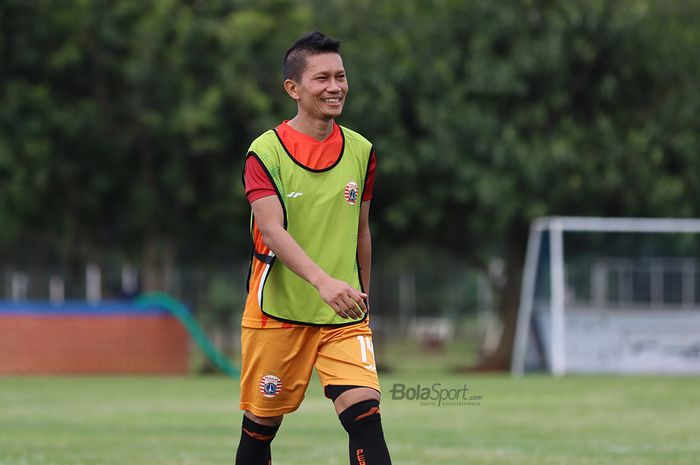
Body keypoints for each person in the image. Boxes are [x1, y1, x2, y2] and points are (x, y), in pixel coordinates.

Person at [235, 31, 392, 465]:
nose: (335, 87)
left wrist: (362, 297)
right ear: (293, 88)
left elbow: (361, 231)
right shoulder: (265, 152)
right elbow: (272, 230)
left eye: (340, 76)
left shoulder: (361, 150)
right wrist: (323, 282)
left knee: (365, 416)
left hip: (342, 314)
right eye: (322, 78)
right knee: (260, 429)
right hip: (277, 314)